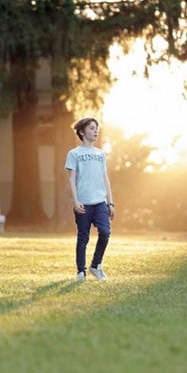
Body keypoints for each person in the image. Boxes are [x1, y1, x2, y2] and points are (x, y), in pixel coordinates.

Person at [65, 117, 115, 281]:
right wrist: (75, 201)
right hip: (83, 204)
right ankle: (81, 271)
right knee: (83, 238)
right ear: (82, 132)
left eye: (96, 128)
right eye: (92, 128)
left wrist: (110, 202)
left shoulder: (101, 154)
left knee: (105, 233)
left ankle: (95, 265)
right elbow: (71, 179)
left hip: (100, 202)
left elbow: (105, 179)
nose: (96, 131)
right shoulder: (74, 154)